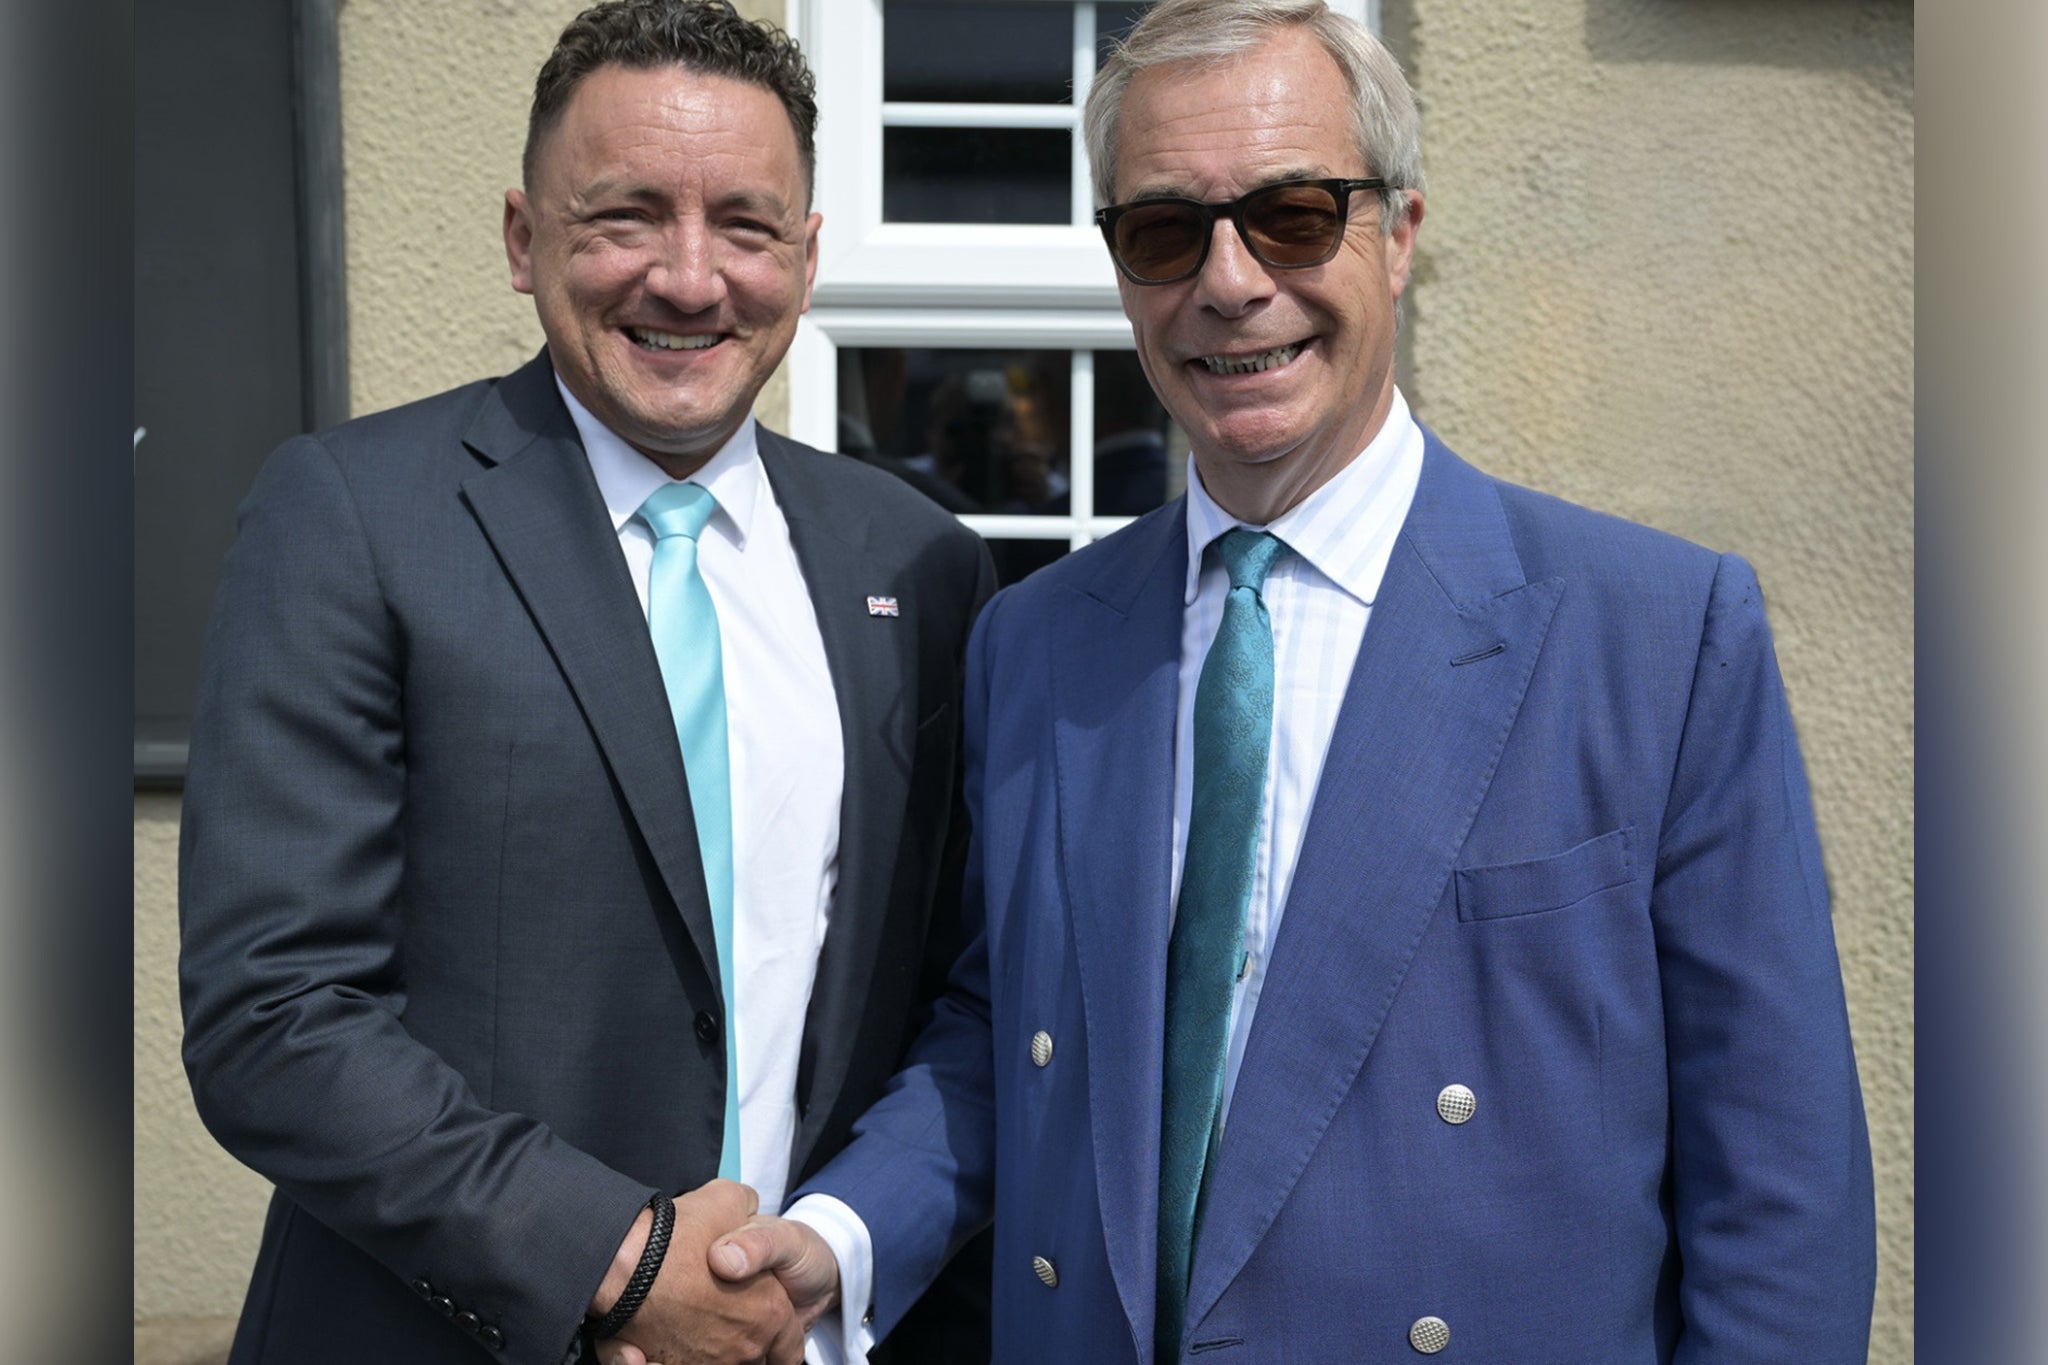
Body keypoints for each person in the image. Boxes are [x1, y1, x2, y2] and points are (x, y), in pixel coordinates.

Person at [705, 1, 1878, 1361]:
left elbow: (1780, 1198)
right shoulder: (1040, 642)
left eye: (1294, 216)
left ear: (1400, 233)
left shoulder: (1657, 637)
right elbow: (1007, 1031)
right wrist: (839, 1240)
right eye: (1165, 231)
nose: (1230, 281)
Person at [177, 2, 992, 1363]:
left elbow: (959, 997)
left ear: (806, 259)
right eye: (626, 216)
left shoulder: (918, 561)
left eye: (745, 226)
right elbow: (274, 1013)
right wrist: (621, 1263)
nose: (690, 278)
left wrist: (836, 1250)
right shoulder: (354, 518)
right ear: (522, 239)